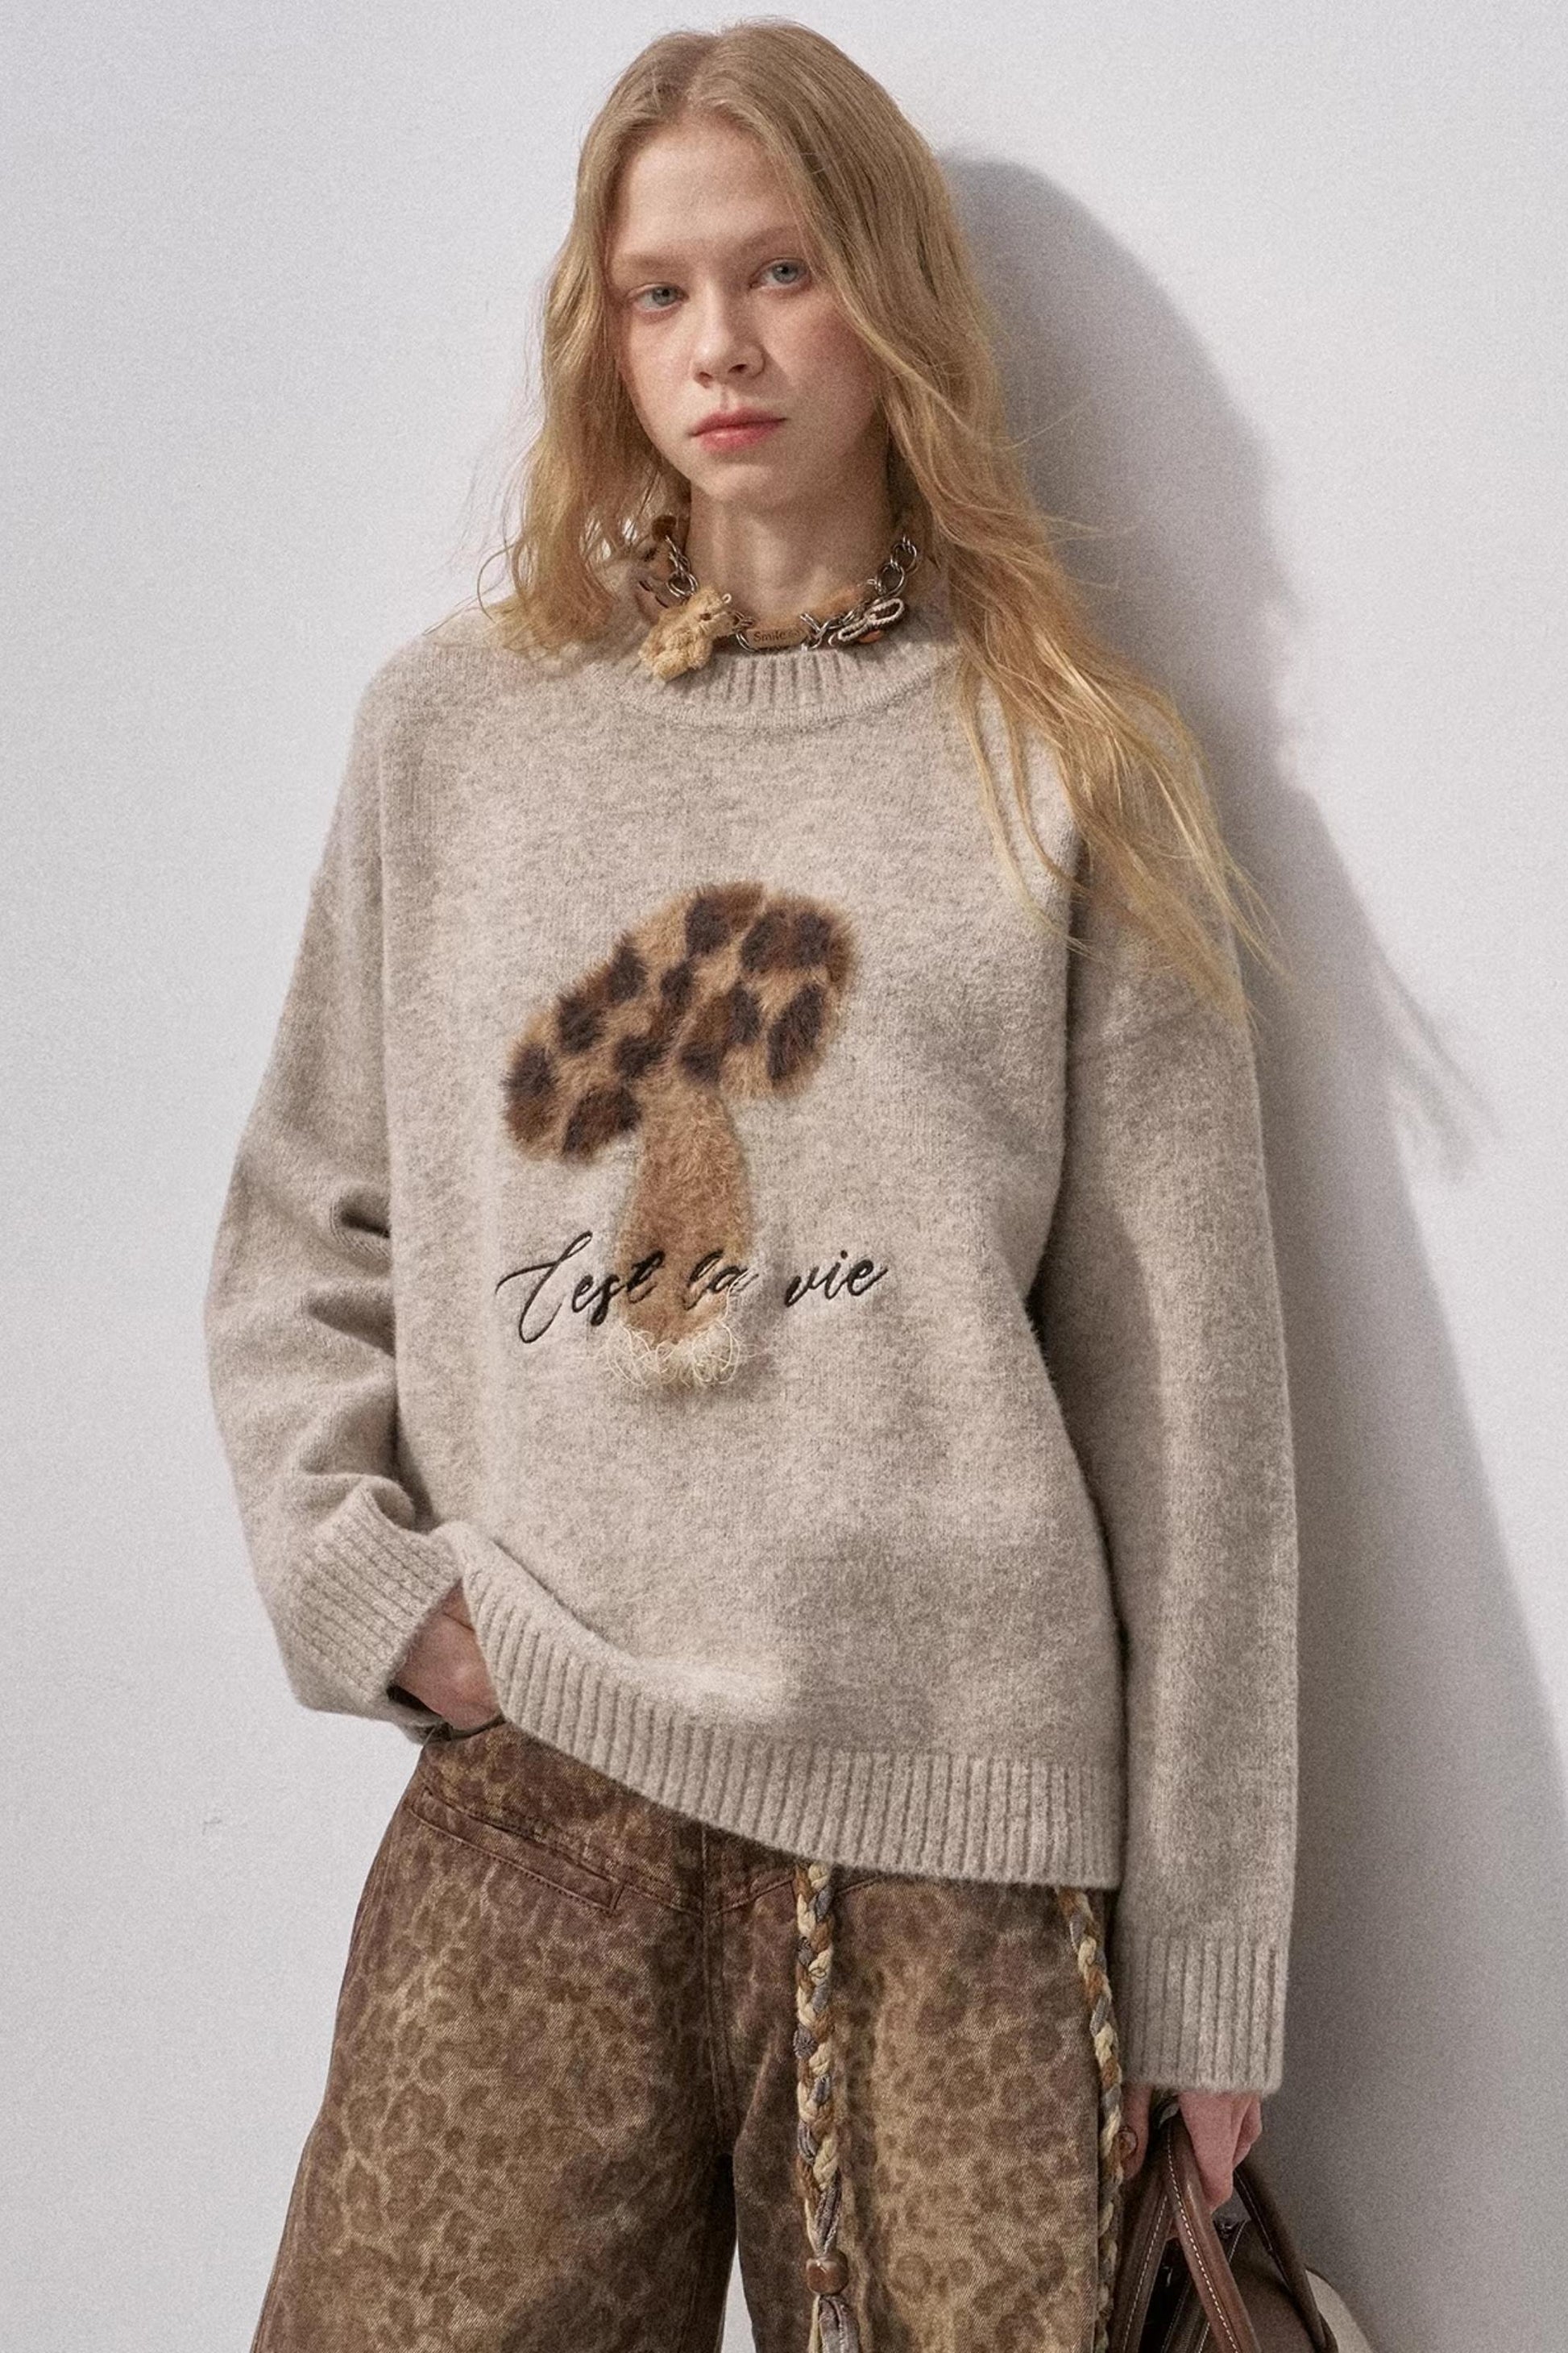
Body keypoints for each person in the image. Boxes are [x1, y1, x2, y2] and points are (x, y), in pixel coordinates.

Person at [202, 23, 1298, 2353]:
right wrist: (376, 1597)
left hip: (960, 1860)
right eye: (659, 289)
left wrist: (1210, 1974)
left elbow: (1193, 1420)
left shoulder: (1065, 760)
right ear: (601, 332)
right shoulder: (456, 733)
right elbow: (307, 1227)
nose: (719, 344)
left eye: (782, 271)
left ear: (887, 295)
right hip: (540, 1793)